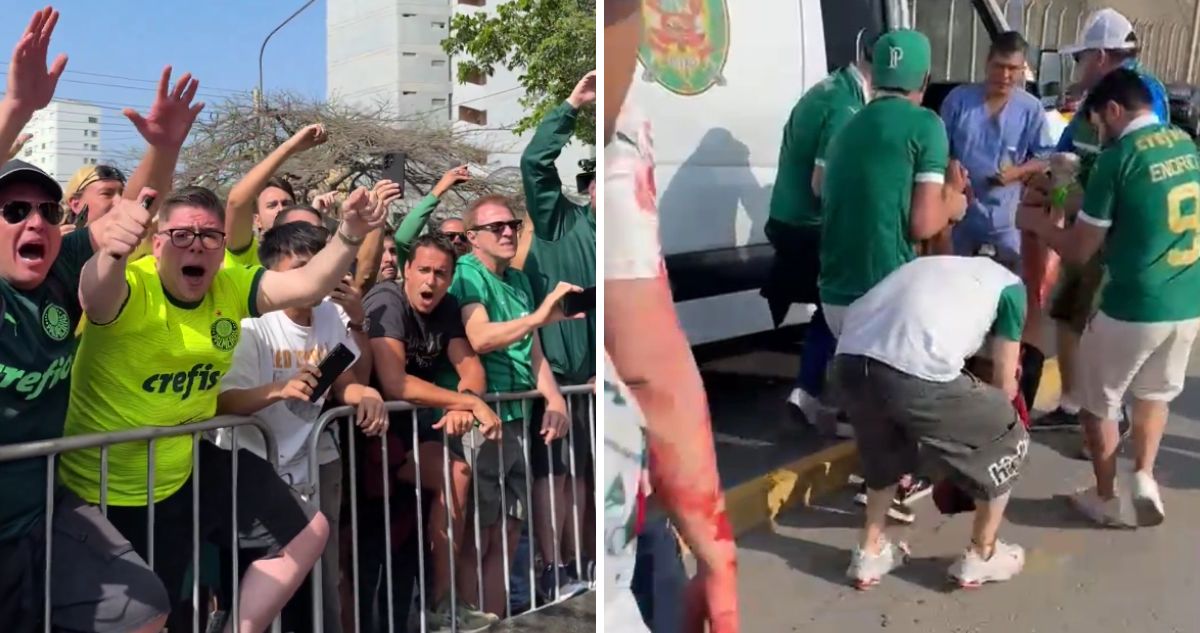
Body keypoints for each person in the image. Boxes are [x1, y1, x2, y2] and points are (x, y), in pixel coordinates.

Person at [59, 183, 386, 633]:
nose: (196, 244)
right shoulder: (133, 285)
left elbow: (310, 283)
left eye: (210, 236)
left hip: (181, 470)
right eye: (181, 235)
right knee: (148, 614)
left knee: (309, 532)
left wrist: (349, 231)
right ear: (155, 245)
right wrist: (112, 252)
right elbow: (95, 295)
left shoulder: (231, 286)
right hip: (99, 488)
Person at [0, 10, 170, 632]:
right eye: (14, 210)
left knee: (146, 609)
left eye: (46, 210)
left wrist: (164, 147)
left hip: (42, 519)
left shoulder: (62, 275)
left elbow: (127, 214)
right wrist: (17, 107)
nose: (34, 222)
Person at [1017, 68, 1200, 527]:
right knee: (1154, 395)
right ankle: (1143, 476)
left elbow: (1079, 249)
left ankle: (1105, 496)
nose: (1098, 132)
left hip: (1132, 304)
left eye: (1100, 121)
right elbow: (1115, 205)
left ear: (1115, 110)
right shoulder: (1183, 143)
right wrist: (1062, 190)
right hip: (1186, 302)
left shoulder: (1121, 157)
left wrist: (1038, 224)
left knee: (1099, 405)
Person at [819, 29, 969, 521]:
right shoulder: (925, 126)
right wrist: (956, 201)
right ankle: (895, 486)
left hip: (834, 293)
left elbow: (820, 186)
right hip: (885, 294)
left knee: (871, 401)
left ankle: (882, 481)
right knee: (906, 394)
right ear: (923, 79)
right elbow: (923, 222)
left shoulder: (847, 125)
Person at [215, 221, 390, 633]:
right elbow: (222, 401)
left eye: (324, 266)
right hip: (250, 467)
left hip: (310, 464)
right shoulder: (250, 323)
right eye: (304, 267)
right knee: (256, 582)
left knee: (320, 580)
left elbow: (343, 381)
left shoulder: (331, 314)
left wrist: (365, 395)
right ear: (273, 272)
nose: (318, 279)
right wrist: (279, 389)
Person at [606, 102, 739, 632]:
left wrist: (714, 553)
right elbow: (650, 361)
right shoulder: (621, 108)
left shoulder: (623, 110)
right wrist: (716, 554)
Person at [829, 255, 1030, 589]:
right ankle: (983, 554)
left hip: (849, 361)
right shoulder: (1011, 288)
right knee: (1006, 432)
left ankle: (869, 552)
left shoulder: (937, 267)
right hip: (912, 371)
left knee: (883, 451)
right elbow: (1005, 384)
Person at [1028, 8, 1168, 435]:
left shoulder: (1142, 97)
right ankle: (1076, 406)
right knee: (1069, 313)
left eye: (1081, 58)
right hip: (1087, 219)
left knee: (1098, 327)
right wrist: (1047, 181)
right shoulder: (1095, 98)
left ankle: (1104, 416)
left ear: (1103, 56)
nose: (1078, 66)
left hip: (1111, 236)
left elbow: (1136, 172)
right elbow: (1066, 152)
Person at [361, 232, 502, 631]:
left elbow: (472, 369)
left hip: (414, 431)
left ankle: (444, 604)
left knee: (457, 475)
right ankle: (441, 603)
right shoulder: (387, 300)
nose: (430, 281)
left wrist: (466, 398)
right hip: (368, 435)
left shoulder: (449, 306)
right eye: (422, 270)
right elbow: (394, 382)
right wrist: (464, 403)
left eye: (441, 273)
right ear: (406, 270)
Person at [446, 194, 577, 616]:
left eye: (512, 226)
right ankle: (471, 618)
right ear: (471, 238)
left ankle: (499, 621)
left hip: (518, 421)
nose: (507, 232)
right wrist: (538, 316)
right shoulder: (466, 274)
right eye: (496, 227)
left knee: (509, 532)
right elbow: (480, 337)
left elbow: (532, 349)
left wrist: (556, 398)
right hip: (480, 423)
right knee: (476, 536)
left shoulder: (518, 281)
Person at [763, 33, 874, 432]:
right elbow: (821, 184)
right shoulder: (845, 107)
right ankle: (815, 396)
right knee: (849, 304)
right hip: (809, 224)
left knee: (833, 310)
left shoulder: (831, 88)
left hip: (788, 219)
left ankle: (811, 394)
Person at [519, 69, 597, 600]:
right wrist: (572, 104)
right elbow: (534, 163)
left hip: (604, 385)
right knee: (555, 477)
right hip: (556, 377)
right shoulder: (559, 222)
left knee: (590, 478)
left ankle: (590, 564)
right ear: (590, 187)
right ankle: (554, 566)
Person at [940, 31, 1051, 263]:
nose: (1005, 75)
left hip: (1006, 222)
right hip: (961, 217)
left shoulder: (1031, 110)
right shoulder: (959, 101)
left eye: (1013, 69)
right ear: (987, 64)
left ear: (1023, 71)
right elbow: (938, 148)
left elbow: (1045, 156)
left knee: (1007, 288)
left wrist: (1017, 173)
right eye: (999, 66)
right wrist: (951, 165)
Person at [390, 165, 473, 262]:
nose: (457, 241)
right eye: (449, 236)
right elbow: (403, 240)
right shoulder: (421, 268)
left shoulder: (478, 274)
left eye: (463, 237)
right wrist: (440, 188)